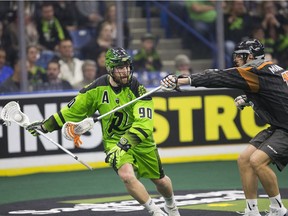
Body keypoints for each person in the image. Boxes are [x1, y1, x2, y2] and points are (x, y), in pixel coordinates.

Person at [25, 47, 180, 216]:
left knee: (160, 181)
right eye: (120, 67)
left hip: (140, 140)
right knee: (127, 176)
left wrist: (124, 144)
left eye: (127, 66)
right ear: (109, 68)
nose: (125, 71)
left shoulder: (138, 90)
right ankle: (156, 212)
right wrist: (44, 126)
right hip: (114, 141)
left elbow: (144, 125)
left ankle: (171, 205)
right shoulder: (95, 89)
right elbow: (71, 112)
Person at [160, 39, 288, 216]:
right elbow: (275, 92)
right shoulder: (272, 68)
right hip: (279, 125)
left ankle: (278, 209)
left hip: (285, 128)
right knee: (244, 159)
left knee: (257, 161)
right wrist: (250, 99)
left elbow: (217, 76)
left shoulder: (254, 70)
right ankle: (252, 210)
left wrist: (182, 81)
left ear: (250, 56)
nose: (236, 59)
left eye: (240, 56)